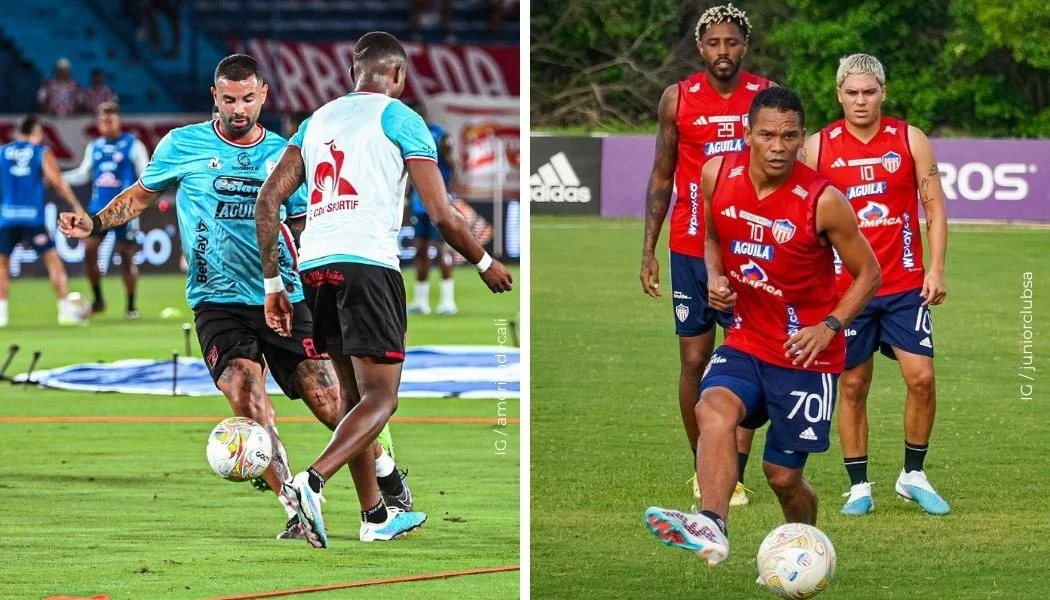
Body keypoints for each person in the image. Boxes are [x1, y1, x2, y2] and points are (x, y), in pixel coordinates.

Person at [58, 54, 413, 541]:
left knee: (330, 399)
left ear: (263, 95)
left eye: (248, 99)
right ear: (215, 98)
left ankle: (388, 477)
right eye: (229, 100)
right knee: (245, 396)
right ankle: (296, 506)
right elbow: (139, 196)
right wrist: (95, 222)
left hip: (285, 296)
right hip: (216, 300)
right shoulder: (183, 145)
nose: (238, 109)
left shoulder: (290, 152)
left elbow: (312, 216)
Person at [256, 31, 513, 549]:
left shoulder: (315, 121)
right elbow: (441, 213)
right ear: (396, 74)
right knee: (382, 399)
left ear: (354, 72)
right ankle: (312, 481)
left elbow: (268, 203)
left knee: (353, 399)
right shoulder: (401, 118)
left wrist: (273, 284)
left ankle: (375, 516)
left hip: (316, 268)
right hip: (369, 265)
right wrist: (484, 260)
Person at [644, 87, 881, 566]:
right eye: (768, 135)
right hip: (748, 337)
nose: (778, 146)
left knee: (782, 477)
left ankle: (808, 550)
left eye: (789, 136)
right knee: (712, 408)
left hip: (805, 355)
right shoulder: (718, 174)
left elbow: (869, 273)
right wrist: (714, 276)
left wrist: (830, 326)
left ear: (802, 139)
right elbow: (712, 236)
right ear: (748, 135)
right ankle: (712, 524)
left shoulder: (824, 200)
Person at [802, 53, 949, 516]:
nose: (861, 100)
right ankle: (859, 486)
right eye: (852, 93)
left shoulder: (910, 139)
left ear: (883, 92)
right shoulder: (817, 148)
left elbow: (935, 208)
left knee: (921, 377)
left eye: (869, 92)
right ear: (839, 95)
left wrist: (937, 269)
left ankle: (913, 474)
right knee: (853, 385)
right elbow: (802, 217)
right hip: (848, 292)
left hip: (905, 284)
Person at [639, 3, 772, 507]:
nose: (723, 51)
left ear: (744, 46)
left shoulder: (765, 98)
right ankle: (703, 467)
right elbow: (661, 175)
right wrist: (648, 250)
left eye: (732, 42)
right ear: (700, 48)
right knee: (694, 359)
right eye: (714, 43)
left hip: (748, 250)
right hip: (689, 250)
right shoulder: (678, 99)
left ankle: (731, 472)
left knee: (749, 357)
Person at [62, 102, 149, 318]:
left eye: (110, 120)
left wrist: (139, 201)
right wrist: (59, 179)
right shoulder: (95, 146)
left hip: (124, 210)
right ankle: (98, 300)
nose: (106, 124)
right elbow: (84, 174)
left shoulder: (133, 145)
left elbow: (146, 175)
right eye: (102, 120)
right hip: (98, 211)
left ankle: (130, 306)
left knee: (126, 255)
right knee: (89, 251)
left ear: (118, 121)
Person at [0, 114, 87, 327]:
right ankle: (65, 312)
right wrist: (76, 206)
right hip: (33, 218)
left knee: (2, 265)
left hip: (7, 217)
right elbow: (58, 182)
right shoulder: (40, 152)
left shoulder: (2, 152)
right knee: (53, 261)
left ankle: (1, 315)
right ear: (36, 133)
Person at [407, 102, 459, 316]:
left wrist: (445, 194)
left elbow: (452, 166)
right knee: (420, 248)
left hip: (438, 201)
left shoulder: (439, 135)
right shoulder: (407, 135)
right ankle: (421, 301)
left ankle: (448, 301)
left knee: (442, 249)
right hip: (419, 203)